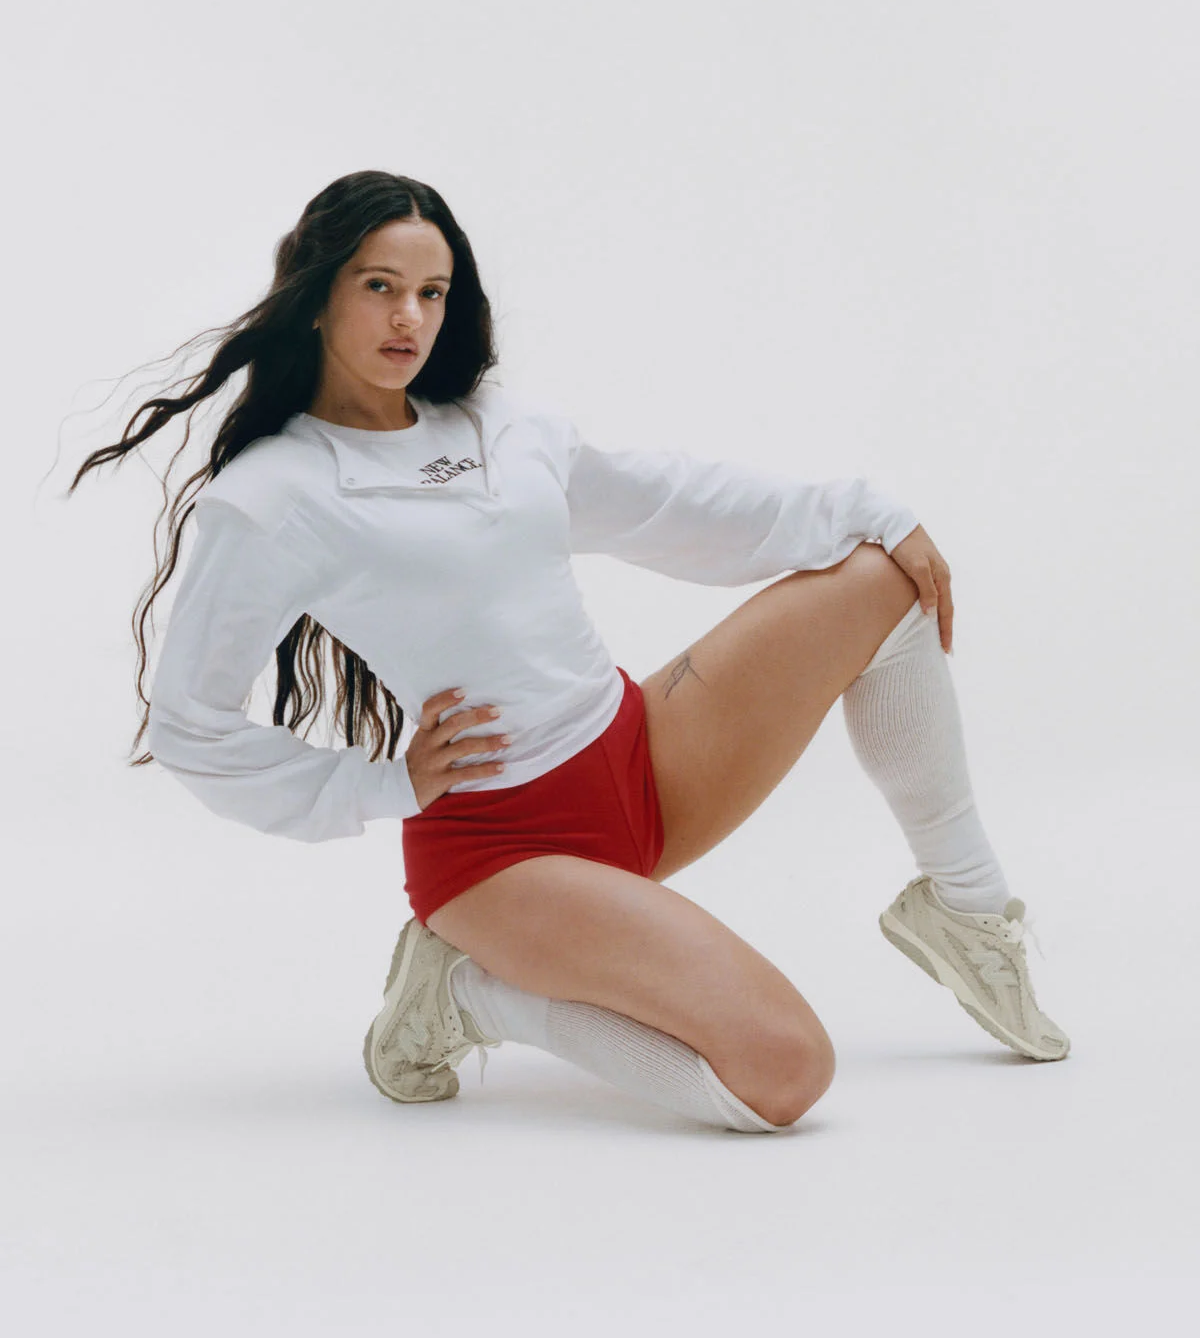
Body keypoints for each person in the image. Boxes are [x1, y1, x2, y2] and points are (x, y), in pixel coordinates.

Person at [69, 169, 1070, 1137]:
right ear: (317, 295)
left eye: (430, 291)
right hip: (501, 852)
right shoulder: (274, 498)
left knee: (878, 578)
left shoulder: (497, 426)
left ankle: (967, 908)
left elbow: (666, 504)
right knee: (784, 1073)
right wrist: (377, 786)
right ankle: (471, 992)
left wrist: (873, 512)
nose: (408, 319)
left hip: (641, 756)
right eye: (378, 287)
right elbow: (190, 725)